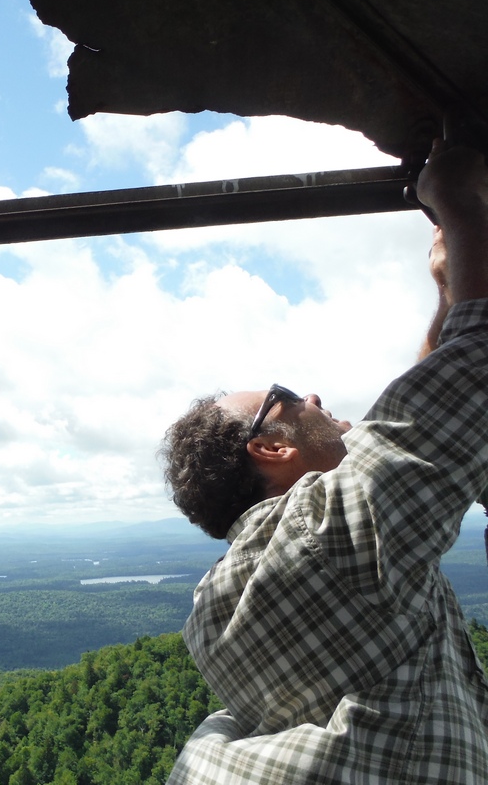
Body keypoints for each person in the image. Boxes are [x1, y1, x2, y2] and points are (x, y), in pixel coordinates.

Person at [159, 141, 488, 783]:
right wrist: (460, 203)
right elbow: (469, 379)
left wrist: (447, 291)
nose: (310, 395)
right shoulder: (325, 543)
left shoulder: (251, 585)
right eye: (284, 398)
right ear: (271, 448)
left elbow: (388, 450)